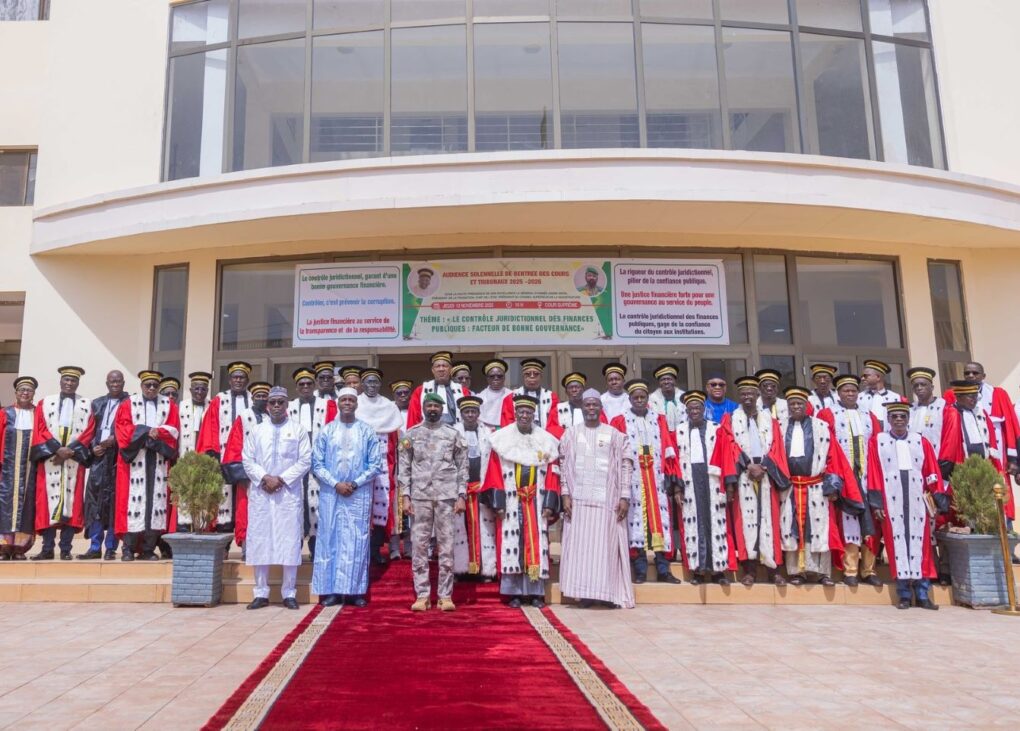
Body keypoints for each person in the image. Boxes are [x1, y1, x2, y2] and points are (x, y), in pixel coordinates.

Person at [559, 389, 635, 609]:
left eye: (595, 405)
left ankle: (607, 593)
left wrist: (624, 496)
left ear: (601, 408)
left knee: (606, 549)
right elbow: (563, 467)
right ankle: (584, 594)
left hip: (607, 504)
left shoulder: (615, 435)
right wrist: (565, 494)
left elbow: (626, 465)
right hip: (579, 503)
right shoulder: (570, 434)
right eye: (587, 405)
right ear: (581, 407)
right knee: (582, 550)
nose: (591, 408)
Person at [483, 394, 560, 609]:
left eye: (528, 412)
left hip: (536, 499)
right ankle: (513, 592)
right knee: (513, 544)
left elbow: (553, 474)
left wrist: (549, 503)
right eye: (521, 412)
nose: (524, 415)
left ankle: (535, 592)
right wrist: (498, 503)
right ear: (515, 413)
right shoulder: (502, 439)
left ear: (534, 415)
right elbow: (494, 472)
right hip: (511, 499)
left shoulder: (546, 441)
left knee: (536, 544)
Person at [779, 388, 861, 586]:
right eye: (792, 404)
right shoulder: (779, 427)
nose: (796, 407)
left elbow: (833, 458)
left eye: (800, 403)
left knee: (820, 529)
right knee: (792, 530)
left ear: (807, 405)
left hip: (815, 486)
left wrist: (832, 487)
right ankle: (796, 572)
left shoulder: (821, 427)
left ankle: (823, 572)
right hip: (791, 487)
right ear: (788, 407)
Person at [868, 402, 944, 610]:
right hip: (892, 500)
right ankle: (903, 594)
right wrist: (877, 503)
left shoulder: (921, 441)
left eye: (902, 416)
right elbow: (873, 473)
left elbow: (931, 470)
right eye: (894, 417)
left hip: (917, 499)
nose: (899, 420)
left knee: (922, 547)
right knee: (897, 545)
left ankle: (922, 594)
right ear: (889, 419)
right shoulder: (878, 441)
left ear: (908, 418)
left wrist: (936, 496)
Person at [311, 387, 383, 608]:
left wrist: (354, 483)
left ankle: (354, 591)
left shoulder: (367, 431)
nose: (348, 403)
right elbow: (316, 464)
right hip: (331, 494)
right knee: (329, 539)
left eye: (352, 400)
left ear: (356, 404)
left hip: (358, 494)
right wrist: (335, 484)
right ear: (338, 403)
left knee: (356, 541)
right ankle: (330, 591)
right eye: (344, 400)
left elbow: (375, 464)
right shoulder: (327, 431)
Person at [242, 387, 311, 610]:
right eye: (273, 403)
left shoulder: (298, 430)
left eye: (281, 402)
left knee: (289, 541)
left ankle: (289, 593)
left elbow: (305, 461)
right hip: (262, 493)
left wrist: (280, 479)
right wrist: (264, 478)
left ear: (287, 405)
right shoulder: (256, 431)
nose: (277, 406)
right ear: (267, 405)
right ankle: (261, 593)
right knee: (261, 540)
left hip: (287, 494)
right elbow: (247, 459)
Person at [718, 376, 790, 585]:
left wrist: (764, 466)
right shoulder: (731, 419)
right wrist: (748, 465)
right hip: (744, 474)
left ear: (758, 395)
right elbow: (730, 445)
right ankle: (749, 570)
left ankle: (773, 569)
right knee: (745, 522)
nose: (747, 397)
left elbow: (777, 446)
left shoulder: (771, 421)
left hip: (767, 474)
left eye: (751, 393)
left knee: (769, 521)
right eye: (743, 394)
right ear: (739, 396)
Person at [400, 393, 468, 612]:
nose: (432, 409)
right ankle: (422, 595)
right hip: (420, 497)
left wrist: (461, 495)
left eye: (436, 406)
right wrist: (405, 496)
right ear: (423, 408)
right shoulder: (411, 435)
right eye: (428, 405)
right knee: (419, 546)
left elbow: (463, 467)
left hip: (446, 497)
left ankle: (445, 596)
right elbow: (404, 468)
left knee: (446, 547)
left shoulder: (453, 435)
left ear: (441, 409)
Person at [610, 379, 681, 585]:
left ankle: (663, 569)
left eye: (643, 397)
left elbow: (668, 447)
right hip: (633, 477)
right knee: (635, 523)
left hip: (656, 477)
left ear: (648, 399)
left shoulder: (659, 419)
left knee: (660, 522)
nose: (639, 401)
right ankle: (640, 570)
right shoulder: (619, 420)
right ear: (630, 399)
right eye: (635, 398)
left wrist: (670, 477)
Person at [817, 374, 882, 587]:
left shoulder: (868, 416)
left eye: (854, 390)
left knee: (871, 524)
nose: (850, 394)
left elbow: (876, 446)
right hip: (844, 477)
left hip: (867, 477)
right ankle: (850, 570)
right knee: (849, 524)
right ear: (839, 393)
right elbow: (825, 447)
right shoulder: (828, 414)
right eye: (846, 390)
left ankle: (869, 570)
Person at [30, 366, 95, 561]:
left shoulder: (86, 404)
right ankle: (47, 548)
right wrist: (57, 449)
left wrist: (69, 451)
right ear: (60, 381)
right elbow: (40, 427)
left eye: (73, 380)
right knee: (46, 504)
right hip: (50, 458)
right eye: (66, 380)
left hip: (74, 459)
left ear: (77, 383)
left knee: (71, 503)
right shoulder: (45, 403)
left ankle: (65, 548)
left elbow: (89, 430)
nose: (69, 383)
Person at [114, 370, 180, 561]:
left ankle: (148, 548)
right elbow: (123, 430)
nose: (151, 388)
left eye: (155, 385)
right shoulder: (128, 404)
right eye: (147, 385)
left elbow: (173, 430)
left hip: (158, 460)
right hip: (135, 461)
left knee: (155, 504)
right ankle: (128, 548)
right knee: (132, 503)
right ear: (141, 385)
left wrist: (154, 436)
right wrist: (147, 432)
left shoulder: (168, 405)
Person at [674, 390, 733, 585]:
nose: (694, 411)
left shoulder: (716, 429)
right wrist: (676, 488)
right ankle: (698, 571)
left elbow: (726, 458)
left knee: (715, 523)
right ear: (686, 411)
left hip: (712, 483)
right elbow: (674, 463)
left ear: (704, 409)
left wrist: (729, 486)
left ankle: (718, 571)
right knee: (694, 524)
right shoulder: (679, 431)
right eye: (691, 409)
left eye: (698, 408)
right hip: (690, 483)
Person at [197, 361, 252, 546]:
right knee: (223, 502)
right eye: (235, 377)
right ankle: (224, 545)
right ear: (229, 380)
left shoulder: (254, 400)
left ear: (247, 380)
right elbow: (210, 428)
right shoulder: (219, 400)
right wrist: (212, 456)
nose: (238, 380)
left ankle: (245, 541)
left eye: (242, 377)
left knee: (245, 501)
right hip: (223, 459)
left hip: (248, 461)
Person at [943, 361, 1019, 494]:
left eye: (975, 373)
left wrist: (1013, 459)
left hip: (996, 453)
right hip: (964, 456)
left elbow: (1011, 426)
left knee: (998, 490)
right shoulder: (952, 396)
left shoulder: (998, 394)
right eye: (967, 373)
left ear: (983, 376)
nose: (971, 376)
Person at [938, 380, 1009, 517]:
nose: (974, 400)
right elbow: (949, 442)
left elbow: (991, 440)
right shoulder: (951, 413)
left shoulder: (981, 413)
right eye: (970, 397)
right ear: (958, 397)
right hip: (962, 467)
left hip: (983, 466)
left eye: (976, 396)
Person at [289, 367, 338, 559]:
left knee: (318, 506)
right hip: (295, 465)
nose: (306, 387)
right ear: (297, 387)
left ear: (314, 385)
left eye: (309, 383)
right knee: (296, 504)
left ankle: (316, 548)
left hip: (320, 465)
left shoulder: (328, 406)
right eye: (302, 384)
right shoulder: (289, 407)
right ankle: (294, 548)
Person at [79, 370, 127, 560]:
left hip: (118, 459)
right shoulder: (97, 403)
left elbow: (131, 427)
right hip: (99, 459)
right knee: (95, 503)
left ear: (123, 383)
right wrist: (93, 447)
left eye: (118, 381)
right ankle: (94, 546)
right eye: (111, 381)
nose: (115, 384)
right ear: (107, 383)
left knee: (115, 503)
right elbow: (88, 429)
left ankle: (111, 548)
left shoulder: (130, 403)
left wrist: (117, 439)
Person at [356, 367, 401, 566]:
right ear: (362, 384)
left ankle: (375, 550)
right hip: (358, 465)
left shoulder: (389, 407)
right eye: (368, 382)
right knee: (361, 508)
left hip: (383, 464)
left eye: (375, 382)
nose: (372, 386)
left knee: (381, 507)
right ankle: (362, 551)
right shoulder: (354, 404)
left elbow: (394, 439)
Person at [452, 395, 497, 580]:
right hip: (461, 491)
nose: (470, 415)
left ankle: (484, 569)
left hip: (481, 489)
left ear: (478, 414)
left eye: (473, 412)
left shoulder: (489, 433)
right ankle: (461, 570)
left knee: (484, 530)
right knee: (461, 529)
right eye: (467, 412)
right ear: (461, 414)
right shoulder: (452, 432)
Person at [0, 376, 38, 560]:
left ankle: (19, 548)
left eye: (28, 391)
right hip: (6, 470)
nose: (25, 393)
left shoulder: (38, 414)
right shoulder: (5, 413)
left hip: (31, 470)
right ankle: (3, 547)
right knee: (4, 505)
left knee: (27, 506)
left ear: (33, 394)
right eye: (22, 390)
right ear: (16, 393)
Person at [175, 371, 211, 532]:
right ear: (190, 390)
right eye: (196, 389)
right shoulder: (181, 407)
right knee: (185, 495)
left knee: (204, 496)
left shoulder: (213, 407)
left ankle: (201, 528)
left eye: (203, 389)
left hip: (205, 459)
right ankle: (183, 529)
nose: (199, 392)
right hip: (185, 457)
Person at [406, 352, 469, 428]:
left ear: (450, 369)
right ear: (433, 370)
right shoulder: (420, 391)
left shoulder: (462, 391)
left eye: (444, 366)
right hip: (427, 434)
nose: (441, 369)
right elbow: (413, 417)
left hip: (455, 432)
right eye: (438, 366)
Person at [500, 358, 558, 430]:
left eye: (536, 374)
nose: (532, 377)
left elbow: (554, 424)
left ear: (541, 376)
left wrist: (544, 438)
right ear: (523, 377)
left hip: (544, 438)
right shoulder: (511, 397)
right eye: (528, 374)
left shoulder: (551, 397)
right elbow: (507, 425)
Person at [548, 372, 607, 437]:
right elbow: (551, 428)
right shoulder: (557, 409)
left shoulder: (593, 407)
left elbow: (603, 426)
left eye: (577, 387)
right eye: (570, 388)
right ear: (566, 391)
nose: (574, 390)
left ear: (583, 389)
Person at [908, 367, 946, 455]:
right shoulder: (910, 409)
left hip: (938, 456)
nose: (919, 388)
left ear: (932, 387)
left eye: (923, 384)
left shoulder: (944, 407)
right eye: (915, 386)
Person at [858, 359, 902, 427]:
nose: (862, 378)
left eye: (866, 376)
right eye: (862, 376)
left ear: (878, 377)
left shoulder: (896, 398)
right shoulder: (859, 397)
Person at [648, 363, 686, 431]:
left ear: (675, 381)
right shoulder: (651, 399)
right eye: (663, 379)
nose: (666, 382)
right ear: (659, 382)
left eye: (669, 379)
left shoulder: (684, 397)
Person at [477, 359, 512, 429]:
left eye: (499, 376)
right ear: (487, 378)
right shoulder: (479, 397)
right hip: (486, 431)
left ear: (504, 377)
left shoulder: (511, 395)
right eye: (492, 376)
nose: (496, 378)